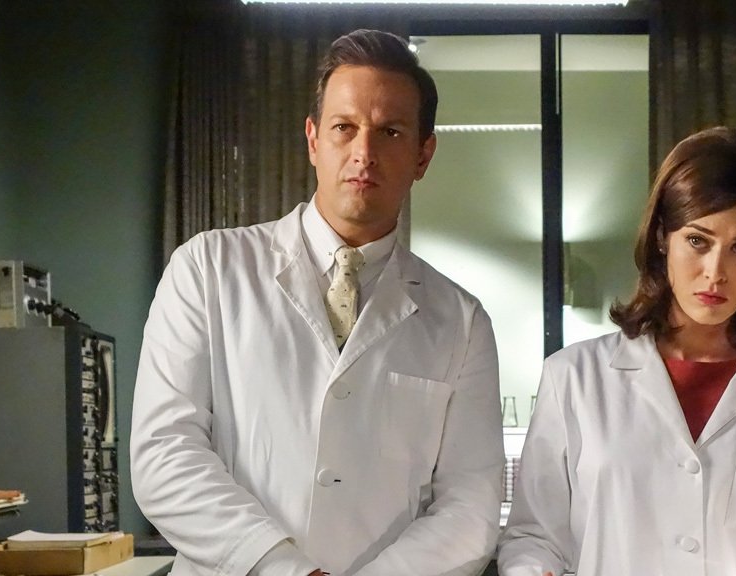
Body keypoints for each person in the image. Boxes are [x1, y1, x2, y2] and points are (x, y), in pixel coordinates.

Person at [131, 29, 504, 576]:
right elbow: (165, 453)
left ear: (423, 155)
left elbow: (470, 505)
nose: (363, 153)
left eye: (390, 132)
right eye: (343, 127)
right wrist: (286, 569)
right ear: (312, 140)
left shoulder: (461, 321)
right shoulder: (208, 268)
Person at [497, 127, 736, 575]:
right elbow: (535, 537)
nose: (715, 272)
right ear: (662, 236)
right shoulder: (573, 378)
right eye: (698, 241)